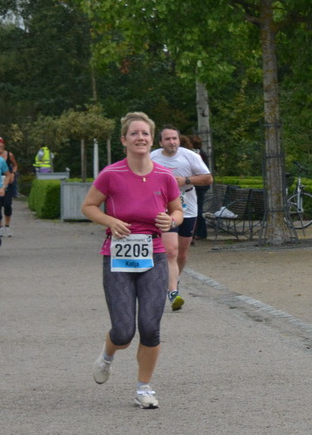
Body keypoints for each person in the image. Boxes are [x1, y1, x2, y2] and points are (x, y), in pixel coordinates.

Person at [81, 111, 184, 410]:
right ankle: (107, 355)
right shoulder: (111, 174)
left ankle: (143, 388)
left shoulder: (164, 176)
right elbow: (88, 206)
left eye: (145, 134)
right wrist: (111, 221)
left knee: (151, 328)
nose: (141, 138)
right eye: (135, 133)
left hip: (153, 254)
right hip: (117, 258)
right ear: (124, 139)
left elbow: (177, 210)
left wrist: (171, 220)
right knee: (124, 331)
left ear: (151, 140)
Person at [149, 127, 213, 311]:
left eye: (174, 138)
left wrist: (185, 181)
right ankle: (173, 292)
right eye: (167, 139)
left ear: (179, 139)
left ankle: (174, 279)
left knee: (182, 253)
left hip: (187, 207)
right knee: (170, 251)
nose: (172, 142)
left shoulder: (190, 156)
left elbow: (208, 178)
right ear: (160, 142)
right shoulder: (153, 158)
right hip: (164, 208)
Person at [0, 137, 20, 235]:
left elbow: (15, 165)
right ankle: (0, 227)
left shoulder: (9, 155)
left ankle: (7, 226)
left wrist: (13, 173)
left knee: (7, 205)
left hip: (8, 183)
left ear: (3, 144)